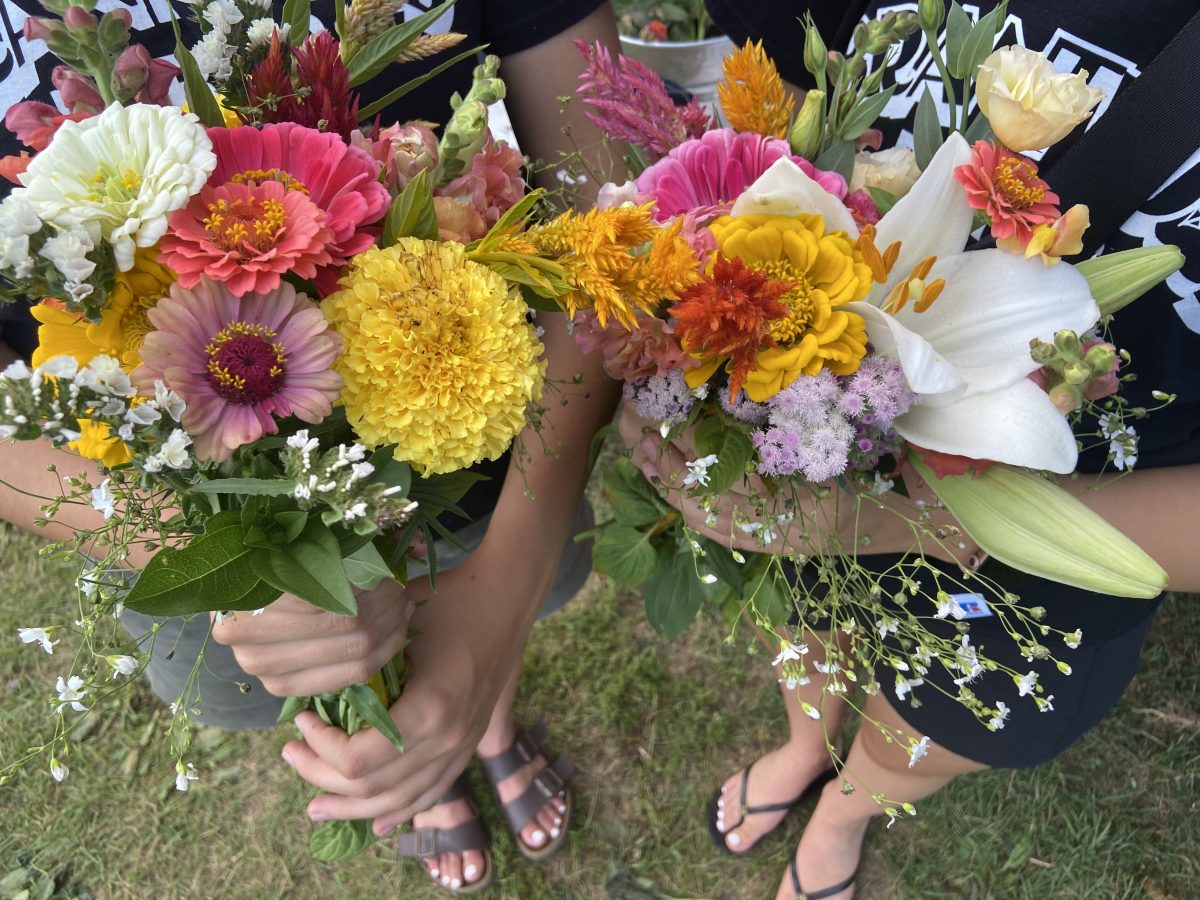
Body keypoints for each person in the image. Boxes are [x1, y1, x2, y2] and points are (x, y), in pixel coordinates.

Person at [0, 0, 624, 893]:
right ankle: (436, 762)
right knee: (313, 682)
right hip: (175, 491)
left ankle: (484, 720)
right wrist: (241, 557)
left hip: (482, 451)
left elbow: (611, 226)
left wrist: (495, 606)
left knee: (485, 609)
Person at [620, 1, 1200, 897]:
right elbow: (790, 114)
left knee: (951, 720)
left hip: (1076, 516)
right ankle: (804, 744)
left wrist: (911, 517)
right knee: (801, 600)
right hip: (817, 409)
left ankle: (848, 805)